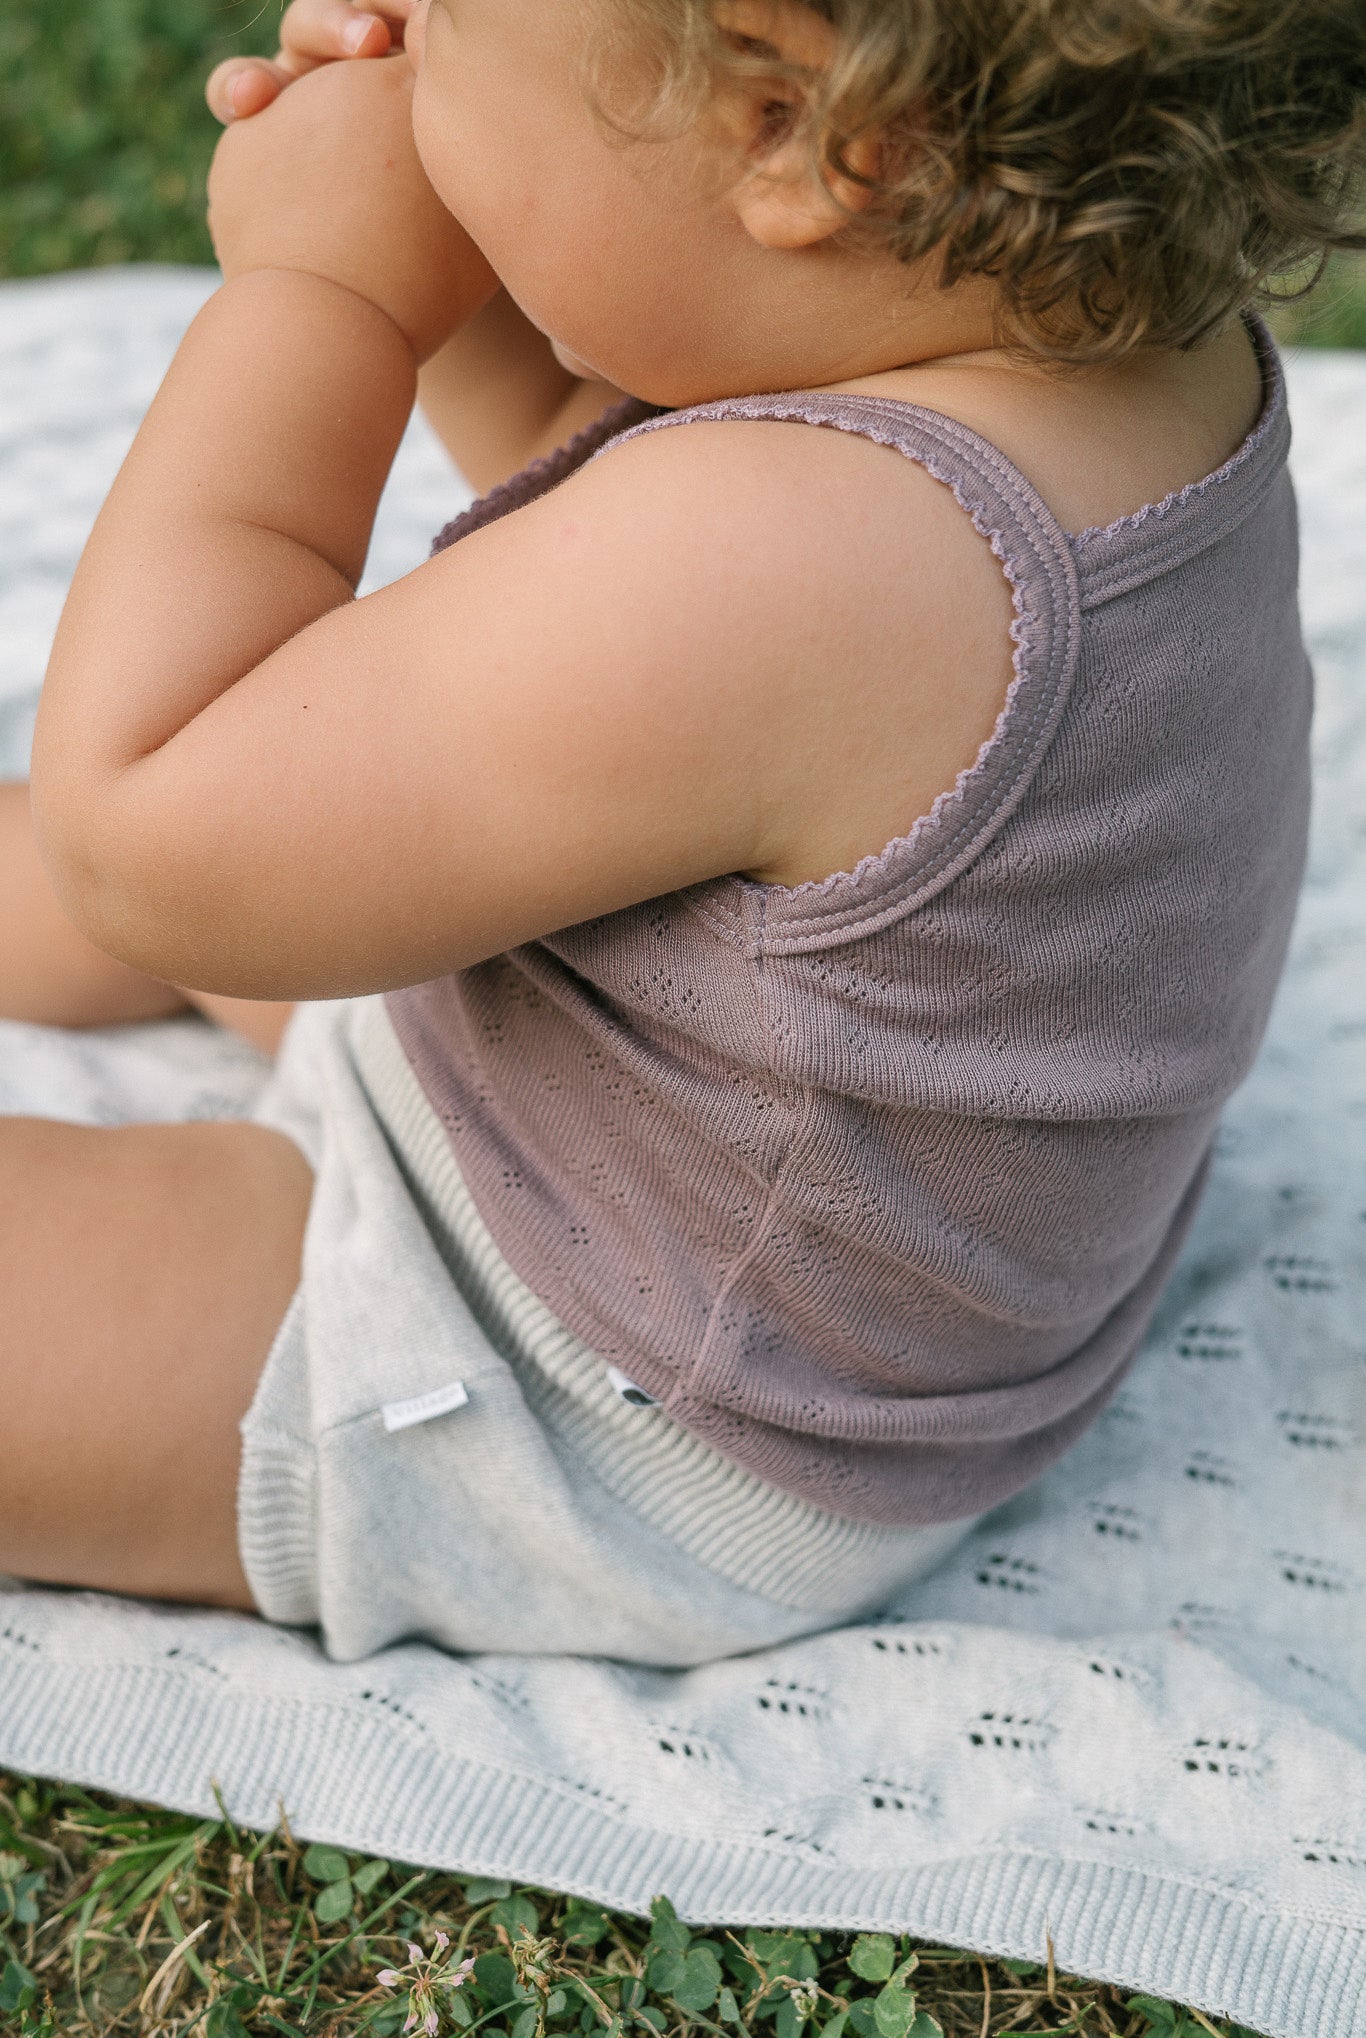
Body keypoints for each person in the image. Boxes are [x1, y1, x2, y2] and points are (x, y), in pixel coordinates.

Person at [0, 0, 1361, 1662]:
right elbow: (616, 604)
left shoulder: (830, 562)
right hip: (670, 1126)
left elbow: (153, 841)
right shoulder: (1101, 351)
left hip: (592, 1397)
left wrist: (321, 296)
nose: (404, 38)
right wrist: (472, 272)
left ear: (800, 137)